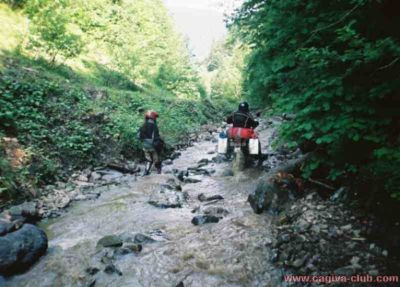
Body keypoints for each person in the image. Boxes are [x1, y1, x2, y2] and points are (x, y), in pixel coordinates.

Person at [138, 110, 163, 176]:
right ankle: (159, 172)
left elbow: (138, 136)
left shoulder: (143, 125)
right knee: (156, 159)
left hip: (145, 146)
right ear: (153, 118)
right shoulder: (154, 125)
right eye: (155, 117)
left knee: (148, 160)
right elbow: (156, 137)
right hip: (152, 146)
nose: (156, 119)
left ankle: (146, 172)